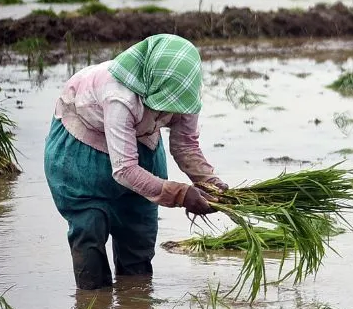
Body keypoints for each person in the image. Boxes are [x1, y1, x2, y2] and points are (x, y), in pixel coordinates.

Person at [45, 34, 225, 290]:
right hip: (82, 154)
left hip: (142, 146)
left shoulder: (186, 92)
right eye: (163, 101)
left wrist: (211, 183)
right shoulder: (120, 95)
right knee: (89, 229)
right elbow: (125, 169)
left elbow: (185, 144)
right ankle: (93, 307)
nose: (171, 108)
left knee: (138, 235)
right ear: (151, 83)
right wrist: (181, 194)